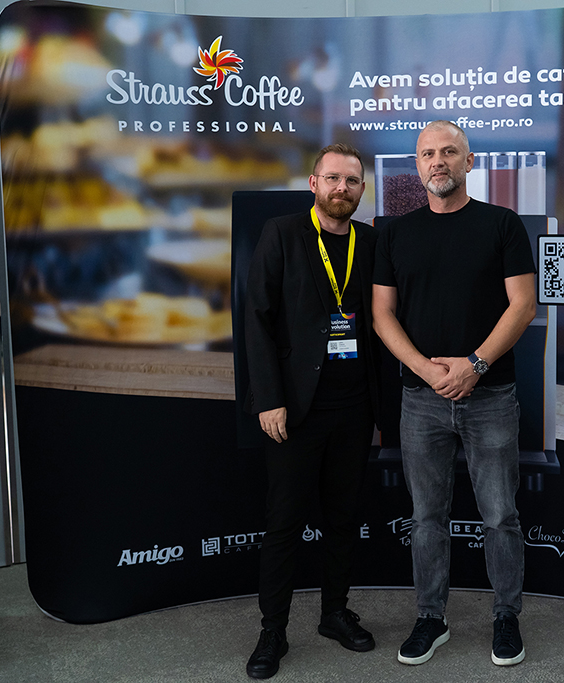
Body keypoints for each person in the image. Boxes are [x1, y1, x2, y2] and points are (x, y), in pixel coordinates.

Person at [372, 121, 537, 667]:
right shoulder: (394, 234)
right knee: (426, 517)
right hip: (420, 400)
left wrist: (474, 365)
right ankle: (430, 617)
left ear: (469, 161)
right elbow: (381, 314)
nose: (437, 161)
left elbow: (523, 305)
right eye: (427, 154)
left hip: (491, 395)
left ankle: (506, 616)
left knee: (500, 515)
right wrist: (426, 370)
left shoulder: (502, 224)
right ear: (417, 165)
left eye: (448, 152)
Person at [244, 143, 380, 679]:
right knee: (284, 523)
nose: (342, 188)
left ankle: (334, 614)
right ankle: (272, 630)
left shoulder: (371, 241)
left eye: (352, 181)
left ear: (362, 189)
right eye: (333, 179)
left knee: (343, 518)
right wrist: (269, 398)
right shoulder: (282, 234)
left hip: (355, 407)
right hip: (294, 410)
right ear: (313, 183)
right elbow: (257, 318)